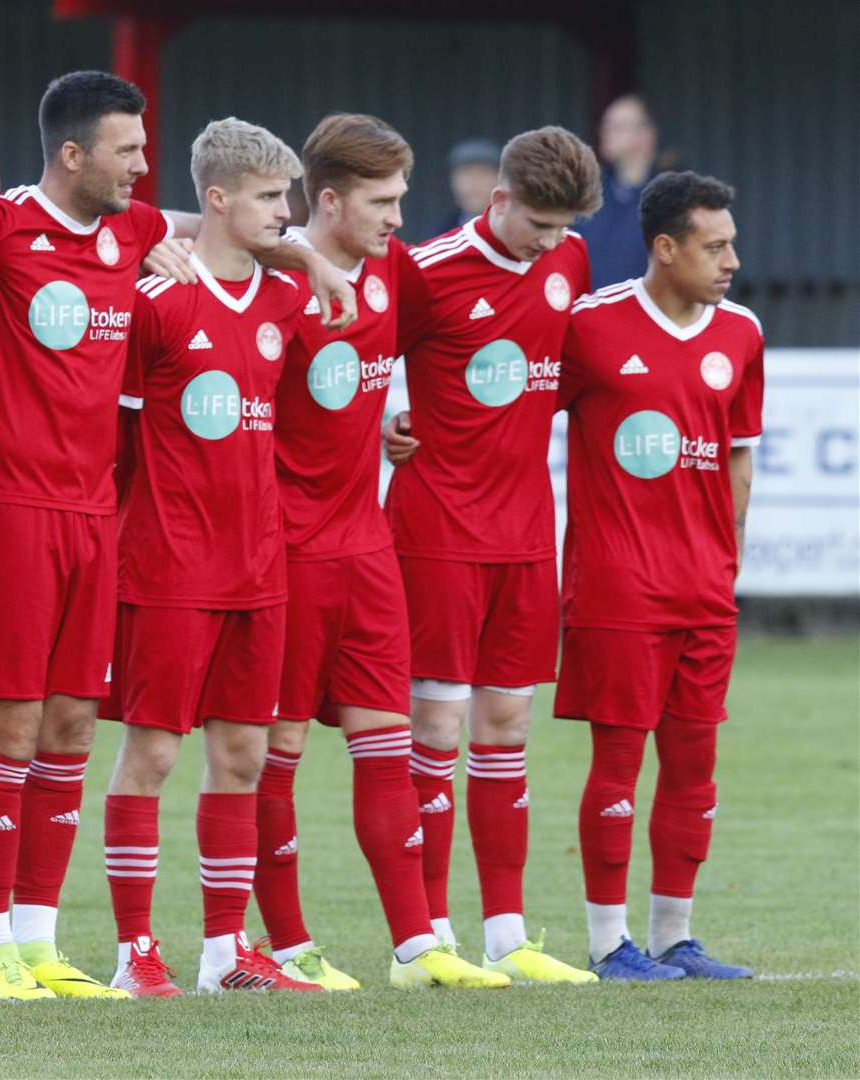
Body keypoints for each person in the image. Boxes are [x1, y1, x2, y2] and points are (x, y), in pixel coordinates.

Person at [0, 69, 355, 1003]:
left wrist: (310, 263)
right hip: (7, 506)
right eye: (126, 149)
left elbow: (225, 219)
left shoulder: (132, 230)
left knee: (72, 728)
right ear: (73, 154)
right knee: (7, 728)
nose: (141, 165)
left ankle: (41, 948)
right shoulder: (0, 220)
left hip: (94, 516)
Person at [256, 113, 507, 991]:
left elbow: (436, 351)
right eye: (383, 201)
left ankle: (416, 947)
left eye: (402, 198)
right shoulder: (270, 280)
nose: (400, 216)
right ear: (327, 201)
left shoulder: (396, 271)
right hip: (282, 552)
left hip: (367, 543)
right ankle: (287, 947)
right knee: (274, 750)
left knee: (384, 740)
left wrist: (403, 423)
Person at [100, 117, 319, 996]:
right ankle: (133, 955)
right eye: (270, 197)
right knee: (150, 756)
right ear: (218, 200)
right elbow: (111, 441)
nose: (286, 213)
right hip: (168, 566)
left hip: (259, 568)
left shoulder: (284, 302)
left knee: (242, 755)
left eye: (290, 196)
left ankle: (226, 954)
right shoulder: (156, 300)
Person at [383, 126, 602, 984]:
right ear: (497, 199)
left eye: (562, 228)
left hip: (521, 533)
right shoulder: (428, 270)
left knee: (506, 726)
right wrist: (382, 420)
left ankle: (507, 935)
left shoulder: (571, 261)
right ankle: (431, 935)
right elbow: (353, 357)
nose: (550, 243)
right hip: (435, 529)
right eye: (538, 224)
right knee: (435, 726)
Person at [556, 172, 761, 981]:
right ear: (664, 248)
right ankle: (610, 944)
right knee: (616, 763)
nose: (731, 261)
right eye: (714, 247)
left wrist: (724, 560)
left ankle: (675, 936)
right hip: (616, 586)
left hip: (704, 590)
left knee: (693, 766)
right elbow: (510, 413)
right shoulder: (590, 326)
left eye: (731, 244)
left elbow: (739, 458)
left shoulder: (740, 334)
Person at [583, 95, 661, 288]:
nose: (606, 133)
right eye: (605, 126)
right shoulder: (587, 194)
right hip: (590, 314)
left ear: (646, 135)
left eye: (617, 127)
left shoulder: (671, 200)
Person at [429, 138, 500, 238]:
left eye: (483, 173)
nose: (474, 182)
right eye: (466, 174)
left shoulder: (517, 228)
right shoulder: (442, 232)